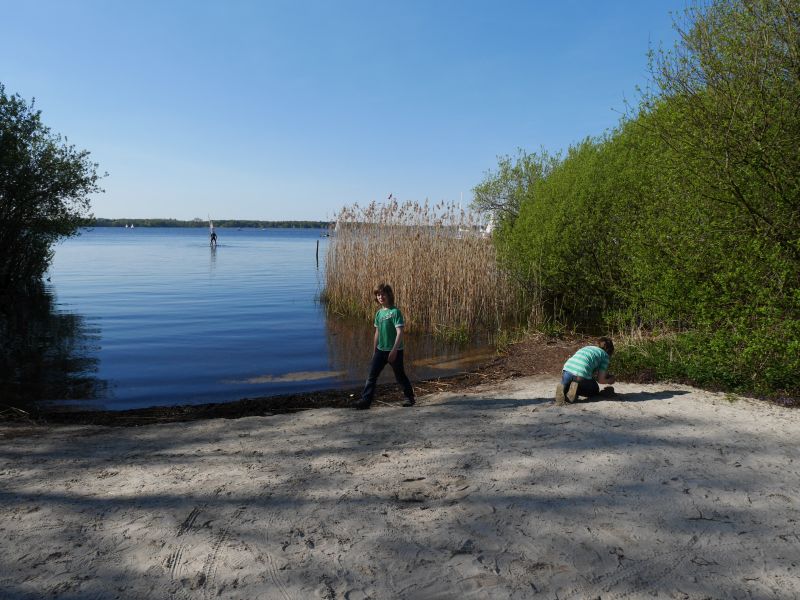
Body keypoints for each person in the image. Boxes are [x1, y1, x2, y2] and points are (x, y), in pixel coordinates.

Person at [353, 283, 415, 410]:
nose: (380, 297)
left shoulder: (395, 312)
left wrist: (394, 351)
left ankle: (409, 398)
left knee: (400, 376)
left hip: (395, 351)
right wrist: (374, 350)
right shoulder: (379, 314)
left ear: (389, 295)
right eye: (378, 295)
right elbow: (377, 332)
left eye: (383, 294)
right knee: (372, 376)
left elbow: (400, 332)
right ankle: (366, 401)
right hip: (380, 351)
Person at [555, 337, 616, 404]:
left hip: (566, 371)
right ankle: (576, 389)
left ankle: (564, 387)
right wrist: (610, 380)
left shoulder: (588, 348)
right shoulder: (605, 356)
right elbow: (600, 380)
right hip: (580, 376)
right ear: (610, 351)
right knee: (594, 390)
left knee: (570, 380)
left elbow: (587, 366)